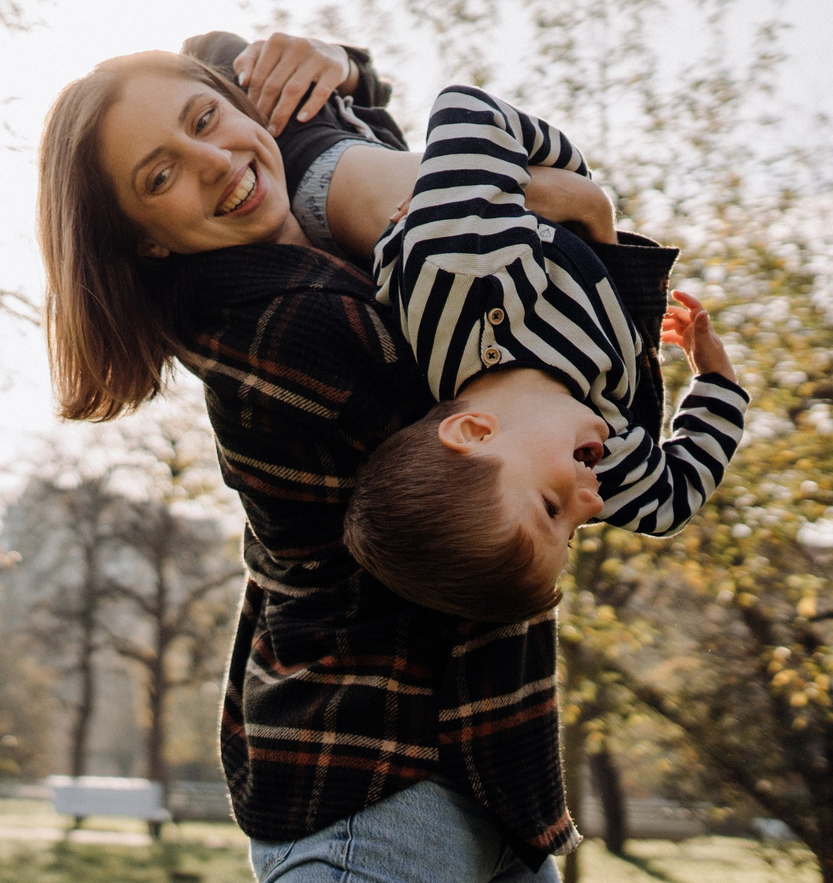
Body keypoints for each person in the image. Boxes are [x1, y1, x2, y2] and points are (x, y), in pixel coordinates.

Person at [36, 36, 588, 883]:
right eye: (159, 179)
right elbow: (511, 277)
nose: (216, 166)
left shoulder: (303, 258)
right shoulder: (302, 330)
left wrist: (324, 63)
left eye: (209, 122)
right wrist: (345, 121)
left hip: (494, 787)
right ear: (147, 245)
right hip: (373, 809)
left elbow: (306, 130)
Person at [304, 83, 750, 623]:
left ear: (474, 432)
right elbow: (673, 501)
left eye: (551, 509)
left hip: (323, 162)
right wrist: (716, 381)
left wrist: (551, 181)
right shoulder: (605, 461)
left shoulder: (462, 274)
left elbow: (467, 110)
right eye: (569, 537)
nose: (591, 507)